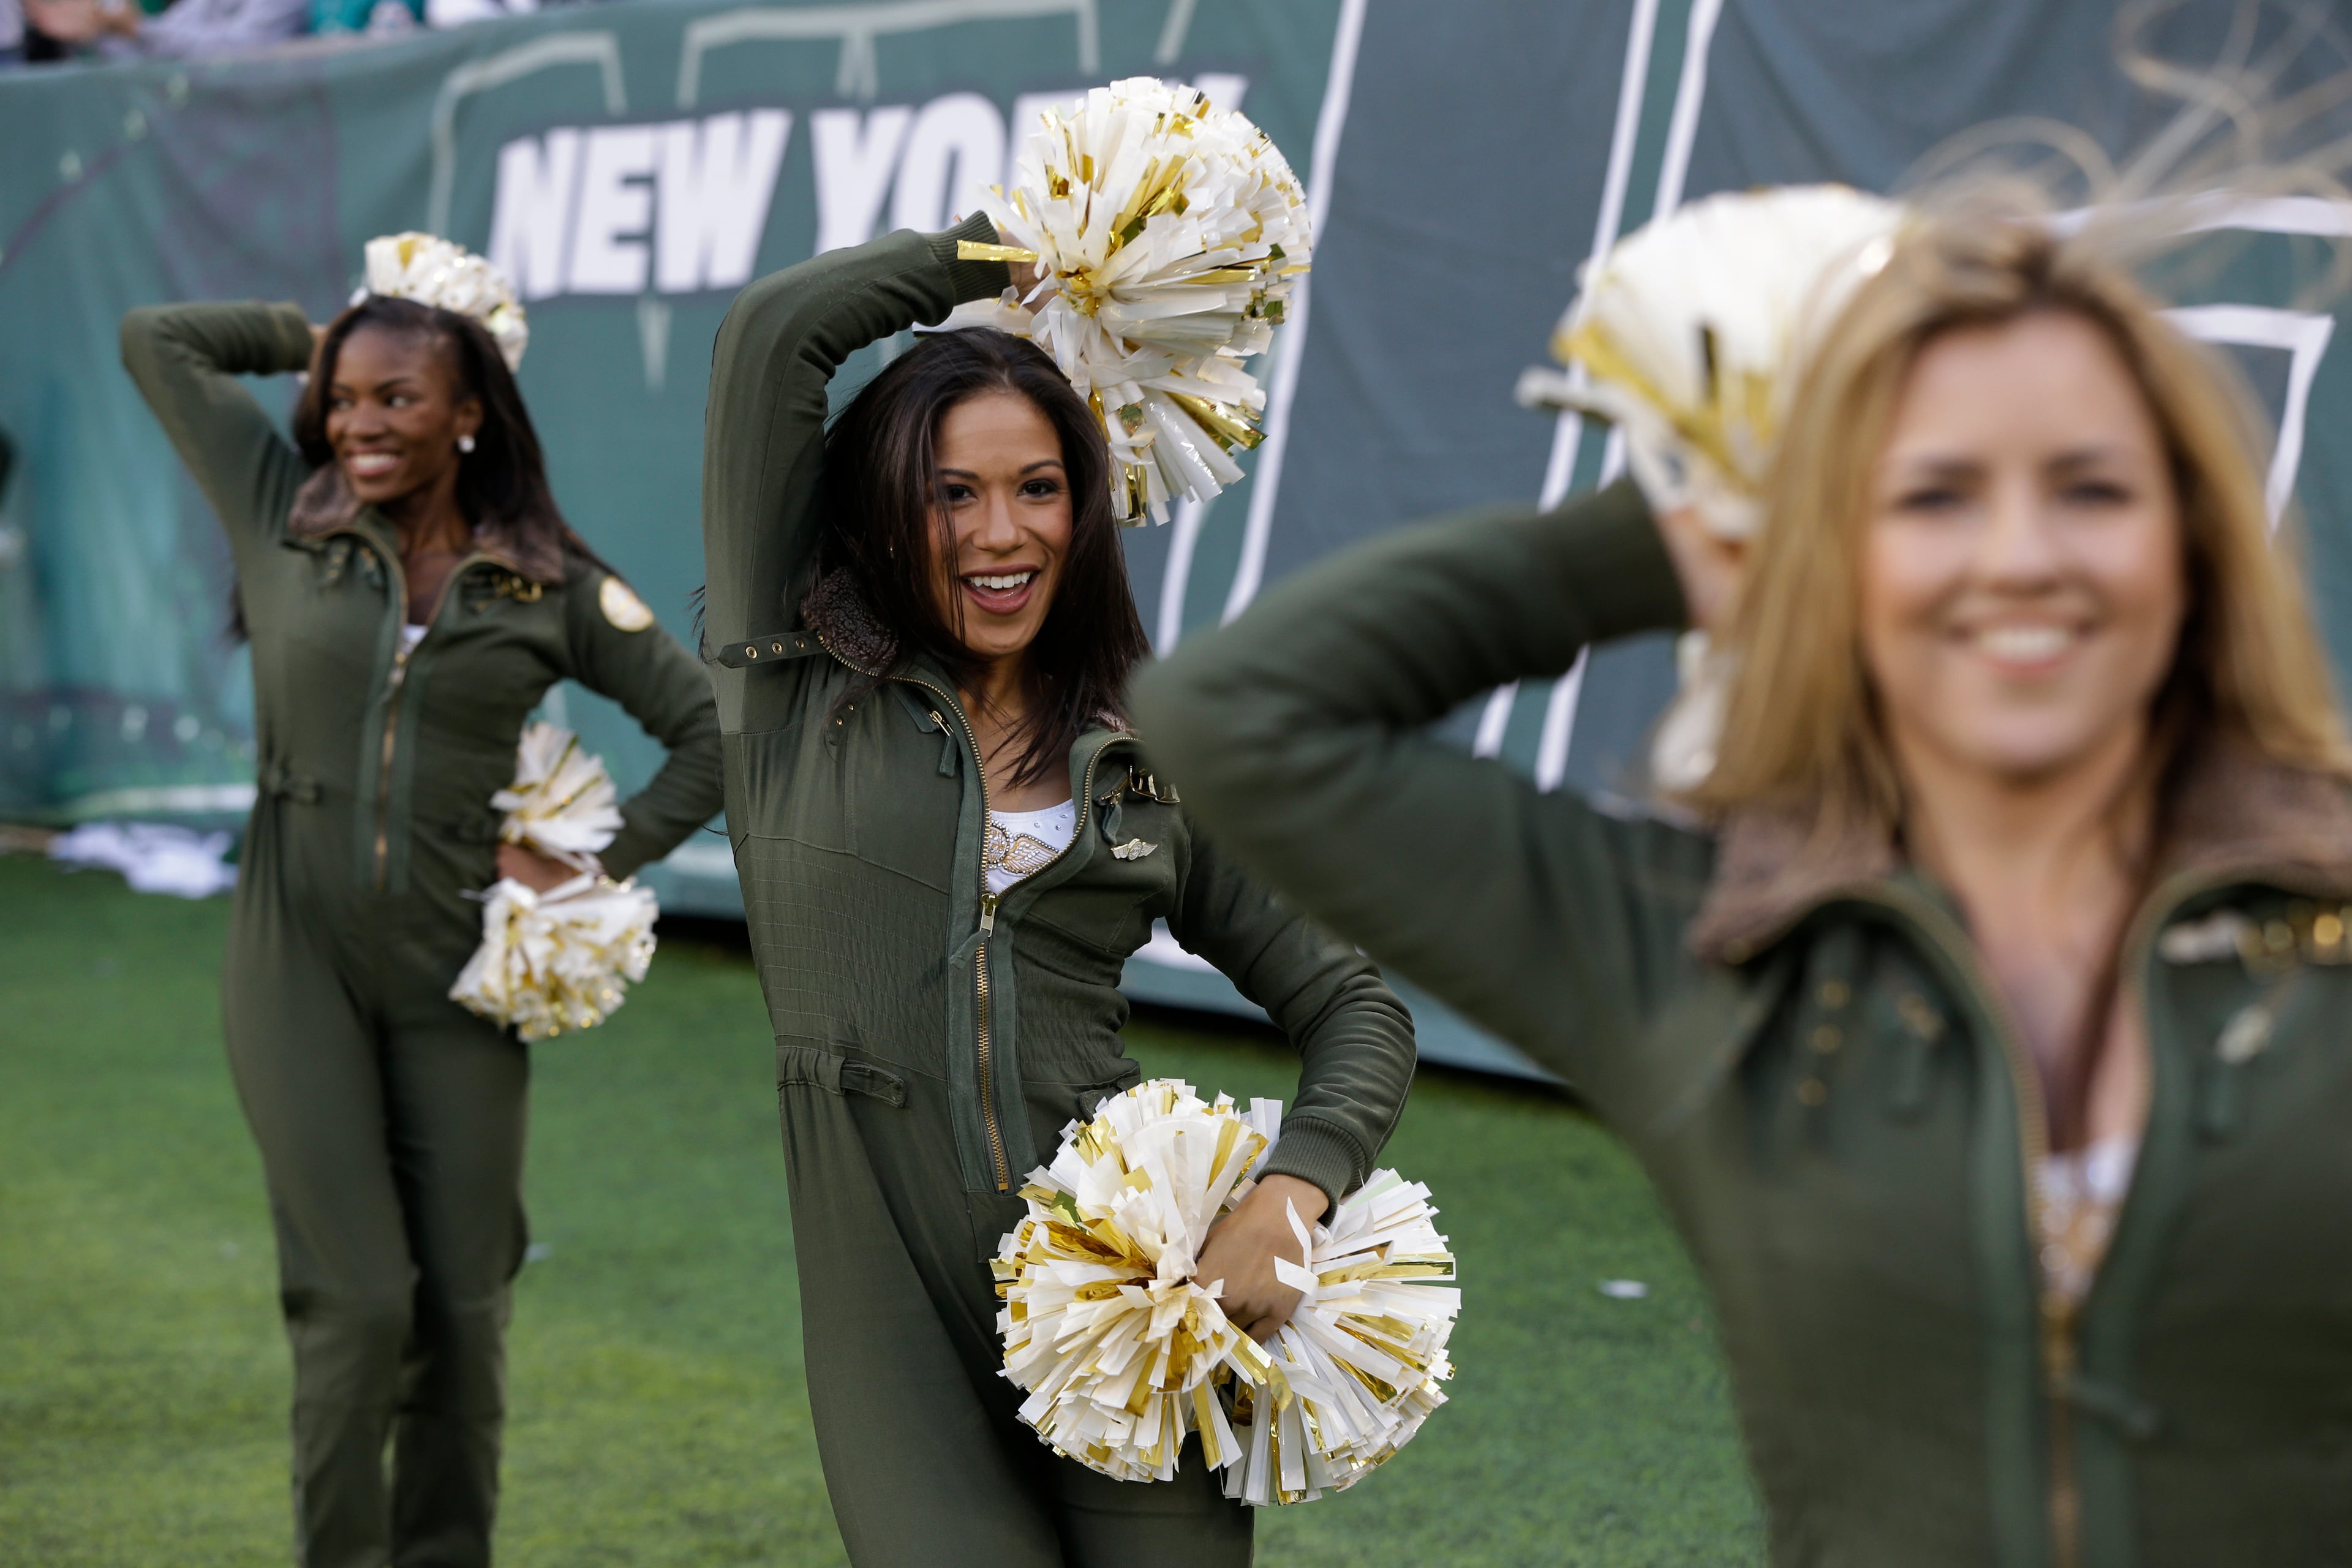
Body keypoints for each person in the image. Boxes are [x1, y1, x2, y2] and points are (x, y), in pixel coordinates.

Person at [1133, 204, 2352, 1566]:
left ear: (2192, 539)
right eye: (1933, 493)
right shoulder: (1707, 947)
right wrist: (1684, 517)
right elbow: (1234, 716)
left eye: (2093, 487)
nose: (2020, 554)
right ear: (1818, 543)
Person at [697, 214, 1417, 1567]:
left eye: (1037, 487)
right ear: (884, 513)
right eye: (951, 493)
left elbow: (1355, 1004)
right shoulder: (791, 682)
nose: (999, 533)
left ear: (1084, 509)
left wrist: (1290, 1194)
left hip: (1128, 1304)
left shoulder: (1149, 755)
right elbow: (770, 343)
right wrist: (1014, 258)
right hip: (892, 1322)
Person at [121, 276, 723, 1568]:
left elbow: (708, 736)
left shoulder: (545, 579)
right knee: (355, 1297)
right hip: (297, 960)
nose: (356, 424)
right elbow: (159, 341)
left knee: (460, 1307)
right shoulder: (281, 508)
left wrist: (592, 861)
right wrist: (320, 328)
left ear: (468, 411)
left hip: (466, 977)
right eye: (340, 400)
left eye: (394, 396)